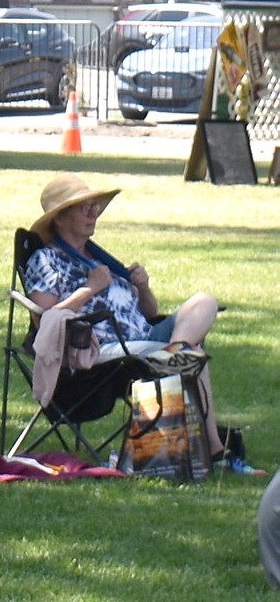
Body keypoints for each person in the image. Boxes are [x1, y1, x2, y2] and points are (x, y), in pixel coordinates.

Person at [23, 172, 254, 472]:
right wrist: (90, 288)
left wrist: (142, 287)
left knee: (204, 301)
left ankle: (176, 351)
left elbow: (148, 311)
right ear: (59, 218)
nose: (93, 212)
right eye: (84, 208)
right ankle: (214, 448)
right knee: (195, 356)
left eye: (94, 206)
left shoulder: (99, 257)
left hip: (145, 337)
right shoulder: (45, 260)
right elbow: (45, 321)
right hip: (103, 350)